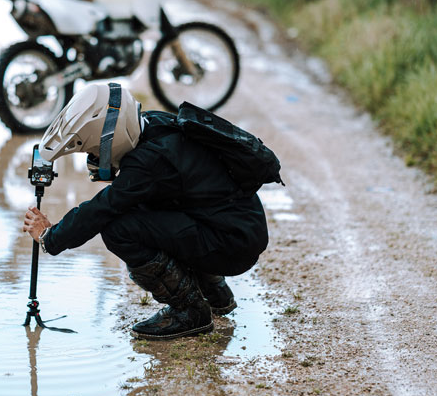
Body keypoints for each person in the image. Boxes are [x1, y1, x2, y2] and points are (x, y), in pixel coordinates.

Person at [21, 83, 268, 340]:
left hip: (231, 246)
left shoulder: (147, 163)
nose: (92, 158)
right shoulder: (154, 123)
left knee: (119, 230)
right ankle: (215, 292)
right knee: (145, 207)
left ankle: (190, 311)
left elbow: (101, 209)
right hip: (239, 228)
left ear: (110, 139)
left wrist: (50, 237)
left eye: (93, 150)